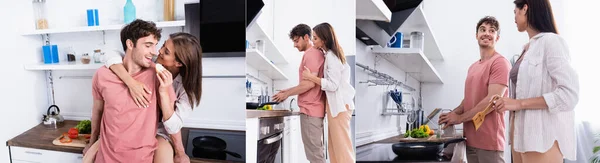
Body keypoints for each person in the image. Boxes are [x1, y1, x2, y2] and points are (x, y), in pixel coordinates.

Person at [83, 32, 203, 163]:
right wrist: (130, 82)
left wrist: (180, 153)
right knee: (88, 158)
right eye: (162, 45)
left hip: (161, 131)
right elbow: (110, 55)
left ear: (179, 63)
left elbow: (173, 126)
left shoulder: (187, 90)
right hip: (130, 130)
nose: (158, 52)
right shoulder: (148, 64)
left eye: (166, 52)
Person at [493, 0, 579, 162]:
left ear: (525, 8)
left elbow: (569, 94)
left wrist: (519, 103)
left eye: (515, 12)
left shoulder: (552, 42)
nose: (514, 17)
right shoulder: (527, 49)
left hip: (542, 138)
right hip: (519, 136)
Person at [438, 16, 511, 163]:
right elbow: (470, 98)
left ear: (497, 38)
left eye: (492, 31)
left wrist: (459, 118)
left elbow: (492, 101)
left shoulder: (500, 63)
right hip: (470, 140)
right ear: (476, 35)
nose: (487, 33)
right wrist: (454, 113)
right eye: (482, 30)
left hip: (489, 143)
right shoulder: (473, 67)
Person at [301, 22, 355, 163]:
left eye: (316, 38)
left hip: (340, 107)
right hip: (336, 108)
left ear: (324, 40)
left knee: (342, 150)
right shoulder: (329, 55)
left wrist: (311, 77)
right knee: (335, 149)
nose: (313, 41)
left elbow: (332, 85)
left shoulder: (332, 56)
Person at [272, 24, 326, 163]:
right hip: (312, 110)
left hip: (310, 110)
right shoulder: (311, 54)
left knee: (315, 155)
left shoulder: (312, 54)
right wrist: (288, 91)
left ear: (306, 37)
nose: (295, 45)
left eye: (297, 41)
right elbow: (308, 82)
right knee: (314, 153)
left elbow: (310, 83)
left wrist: (287, 94)